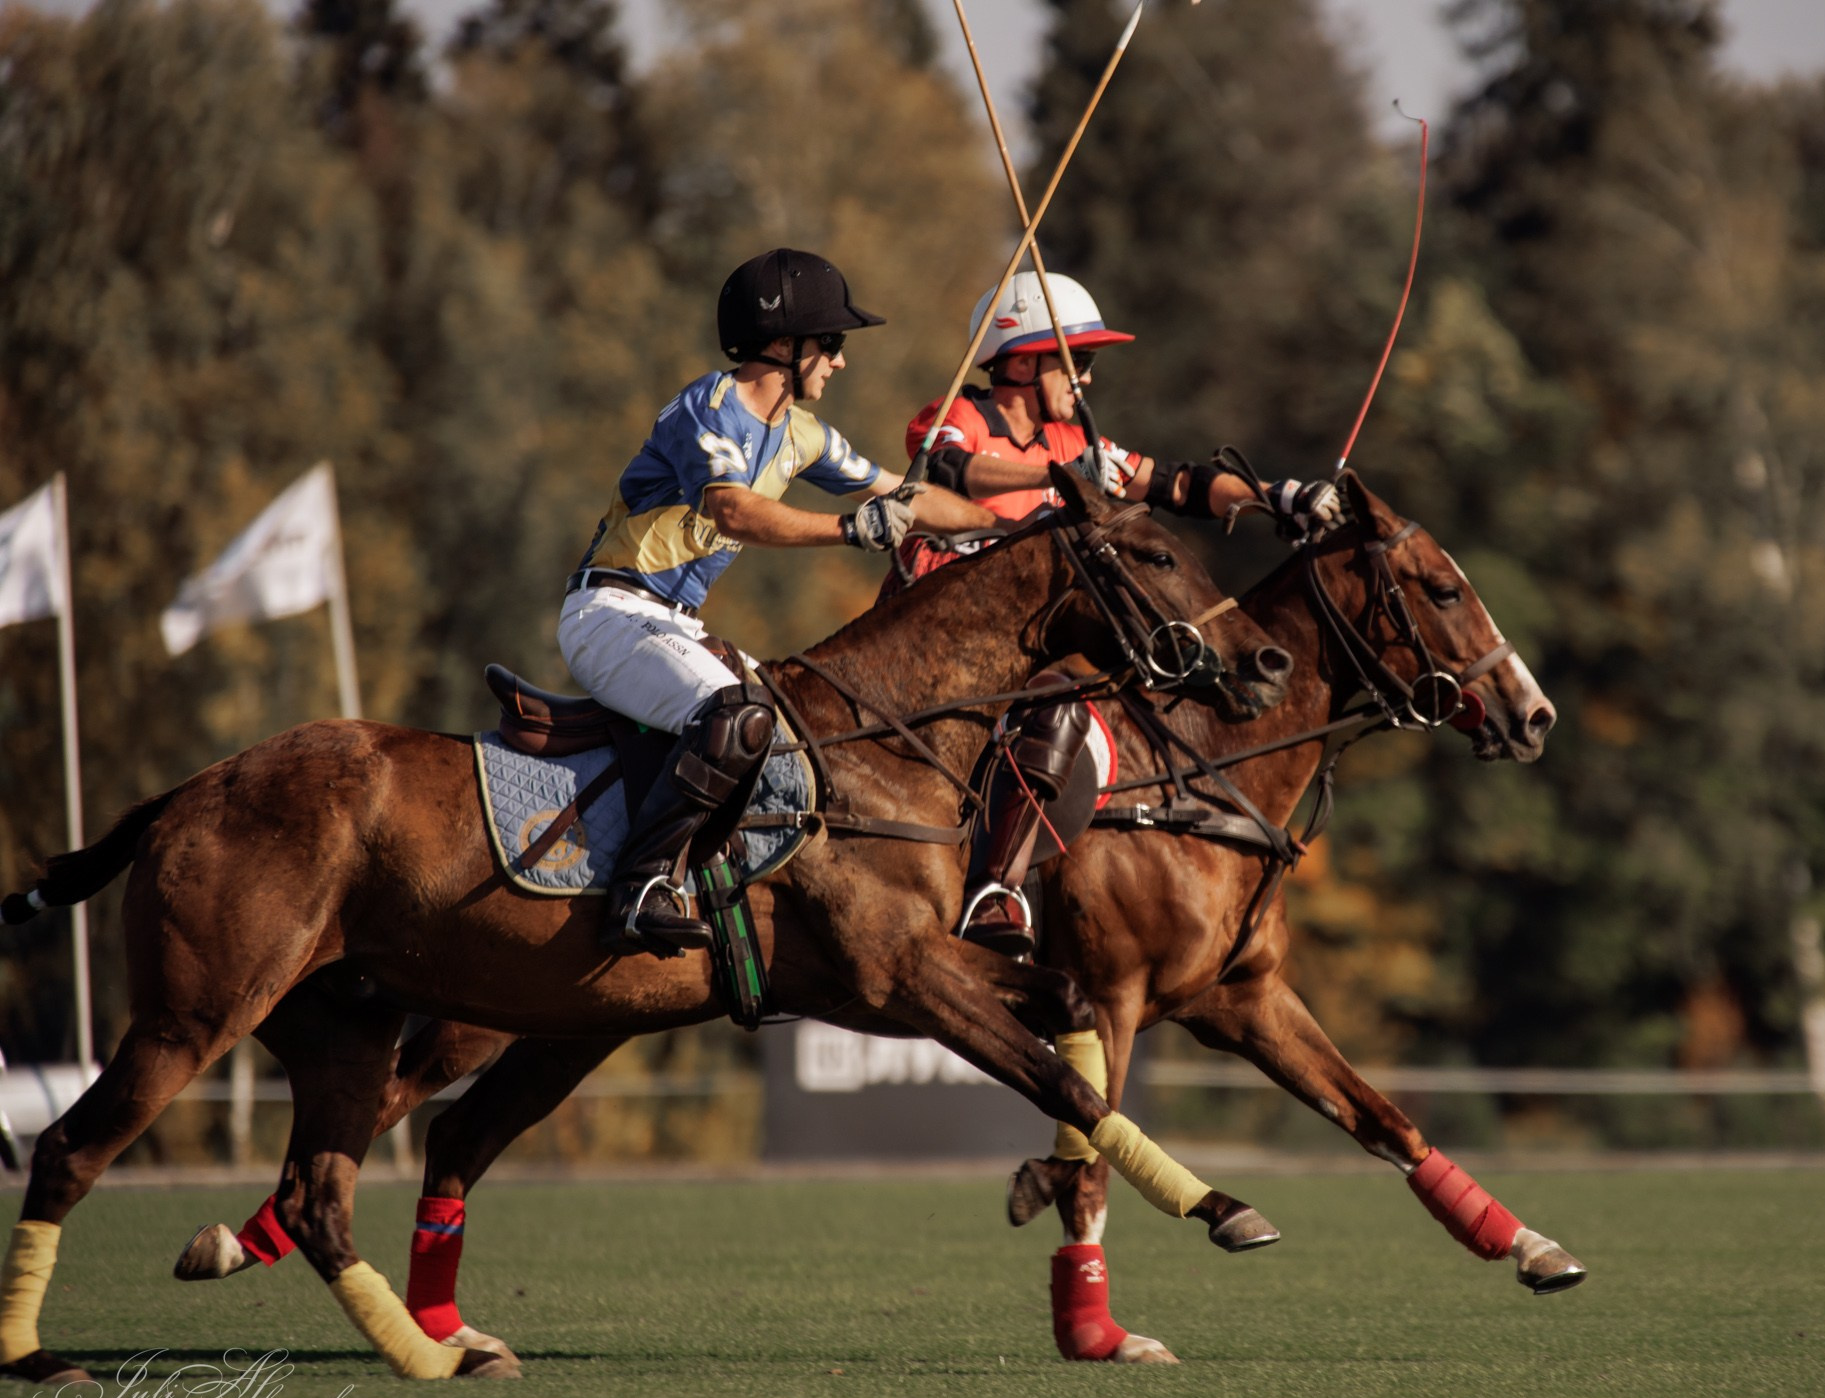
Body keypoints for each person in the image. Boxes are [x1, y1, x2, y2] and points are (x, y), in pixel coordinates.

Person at [564, 247, 996, 957]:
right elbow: (732, 511)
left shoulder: (801, 435)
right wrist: (849, 530)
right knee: (738, 717)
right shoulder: (706, 409)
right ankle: (641, 886)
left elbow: (901, 494)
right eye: (831, 343)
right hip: (609, 614)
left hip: (675, 626)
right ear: (782, 344)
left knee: (800, 730)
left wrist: (1012, 524)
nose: (840, 360)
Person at [900, 271, 1344, 955]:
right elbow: (952, 474)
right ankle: (995, 888)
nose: (1088, 380)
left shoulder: (1074, 443)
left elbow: (1180, 483)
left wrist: (1276, 496)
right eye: (1078, 360)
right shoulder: (957, 416)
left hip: (1019, 651)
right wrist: (1064, 480)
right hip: (928, 641)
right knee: (1059, 696)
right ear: (1021, 359)